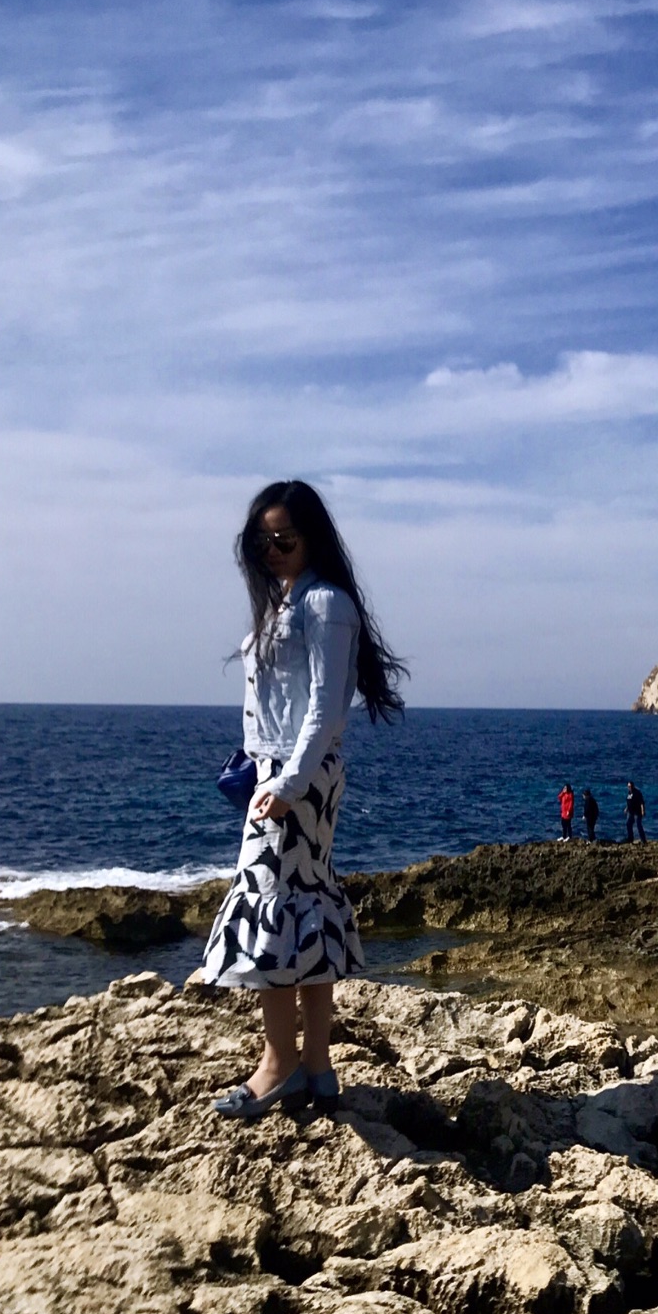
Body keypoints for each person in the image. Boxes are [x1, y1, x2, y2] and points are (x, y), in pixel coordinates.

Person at [200, 480, 406, 1120]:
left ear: (311, 536)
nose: (272, 551)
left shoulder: (323, 603)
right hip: (285, 770)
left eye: (283, 539)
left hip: (296, 776)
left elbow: (324, 706)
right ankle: (316, 1067)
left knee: (273, 910)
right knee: (305, 909)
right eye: (261, 542)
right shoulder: (291, 601)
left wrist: (286, 784)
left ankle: (277, 1065)